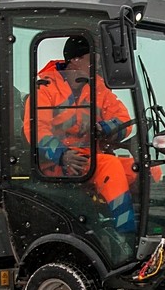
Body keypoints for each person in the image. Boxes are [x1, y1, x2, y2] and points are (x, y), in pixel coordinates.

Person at [23, 37, 137, 235]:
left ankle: (149, 228)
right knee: (112, 167)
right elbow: (35, 129)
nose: (98, 64)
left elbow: (124, 120)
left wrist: (103, 128)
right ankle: (127, 236)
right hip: (57, 163)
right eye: (93, 58)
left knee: (143, 168)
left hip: (90, 159)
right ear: (75, 59)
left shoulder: (98, 87)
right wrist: (62, 155)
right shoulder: (45, 87)